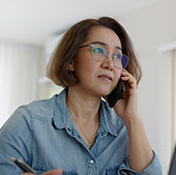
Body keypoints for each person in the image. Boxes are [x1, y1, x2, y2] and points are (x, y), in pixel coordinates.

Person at [0, 16, 162, 175]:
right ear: (71, 60)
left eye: (117, 56)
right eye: (98, 50)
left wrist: (132, 119)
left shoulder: (124, 128)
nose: (110, 65)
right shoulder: (29, 121)